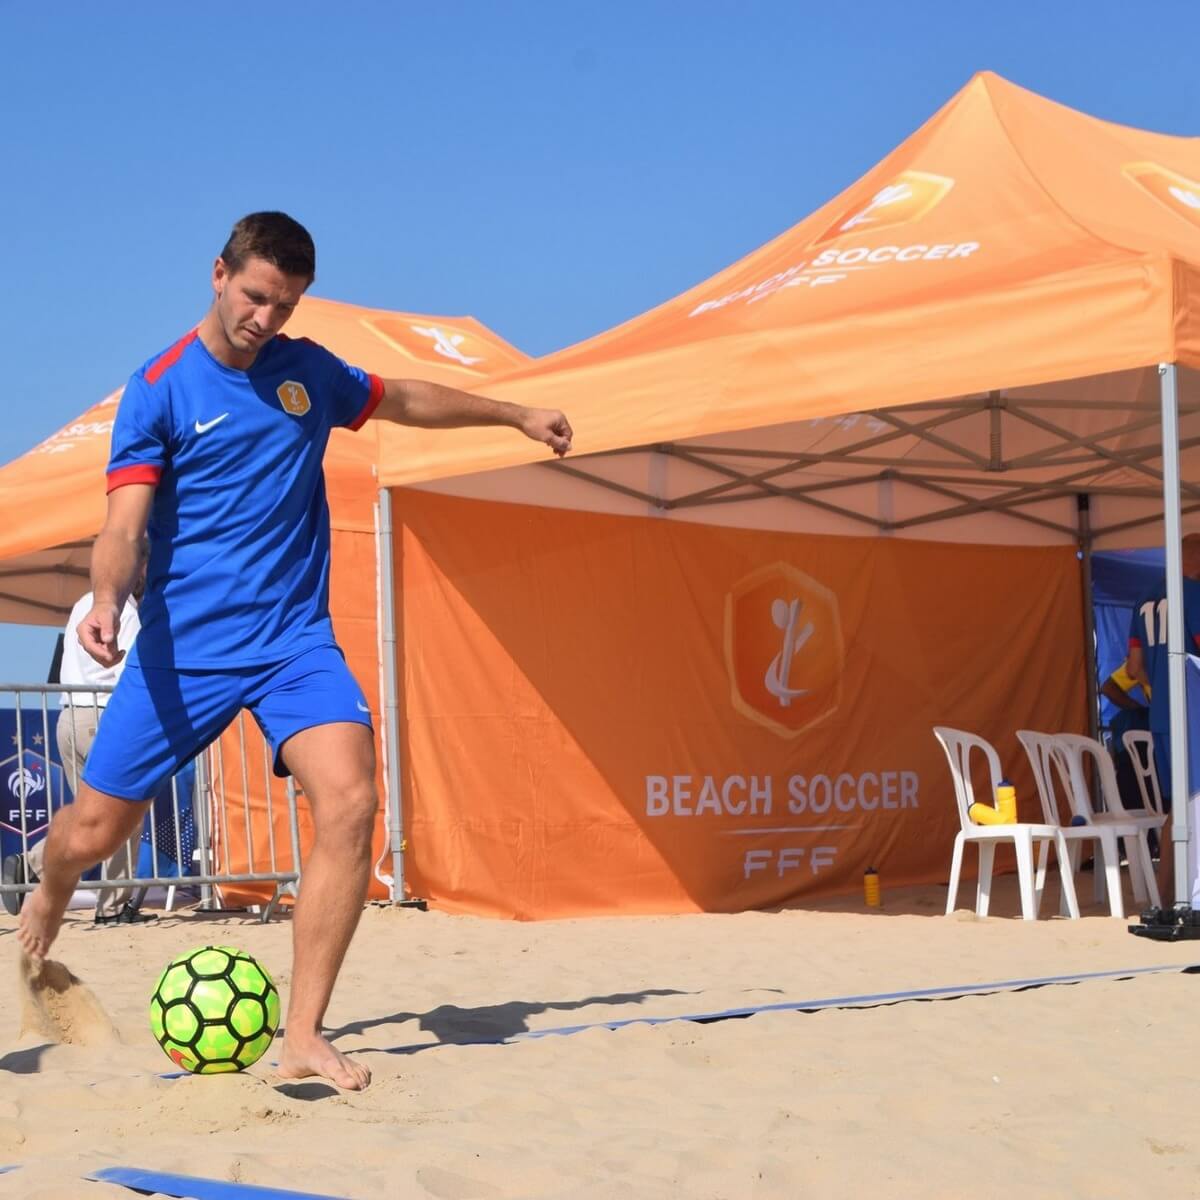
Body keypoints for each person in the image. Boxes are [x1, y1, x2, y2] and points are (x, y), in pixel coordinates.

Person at [16, 212, 573, 1091]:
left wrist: (514, 412)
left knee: (351, 800)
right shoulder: (158, 388)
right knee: (93, 830)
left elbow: (405, 398)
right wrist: (111, 601)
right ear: (218, 275)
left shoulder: (307, 373)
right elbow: (122, 524)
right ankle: (46, 891)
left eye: (286, 305)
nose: (266, 320)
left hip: (292, 642)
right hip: (181, 653)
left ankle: (304, 1033)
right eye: (255, 297)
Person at [2, 563, 157, 925]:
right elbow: (133, 673)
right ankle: (113, 907)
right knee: (122, 812)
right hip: (106, 716)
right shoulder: (128, 614)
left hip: (70, 716)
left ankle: (32, 864)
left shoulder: (82, 604)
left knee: (91, 813)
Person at [1126, 533, 1200, 903]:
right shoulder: (1193, 593)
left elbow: (1134, 667)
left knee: (1178, 811)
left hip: (1162, 719)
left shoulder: (1144, 596)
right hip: (1195, 716)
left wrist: (1160, 687)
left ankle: (1169, 898)